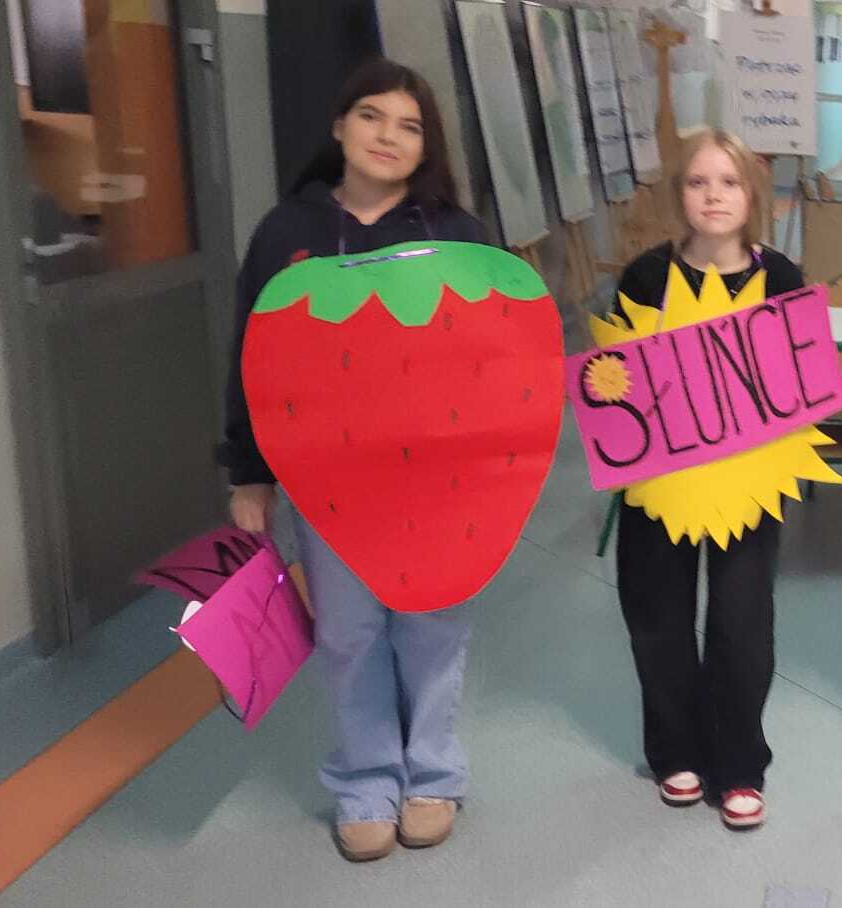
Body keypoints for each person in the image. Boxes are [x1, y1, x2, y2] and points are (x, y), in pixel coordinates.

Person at [218, 59, 488, 863]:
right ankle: (367, 780)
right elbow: (252, 358)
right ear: (340, 126)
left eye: (410, 126)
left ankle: (432, 774)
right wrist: (249, 471)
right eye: (372, 116)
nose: (388, 137)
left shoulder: (456, 235)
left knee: (431, 622)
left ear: (427, 146)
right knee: (348, 629)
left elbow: (495, 359)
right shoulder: (286, 233)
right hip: (326, 476)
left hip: (436, 477)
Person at [609, 128, 804, 832]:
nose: (714, 196)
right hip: (661, 481)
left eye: (729, 182)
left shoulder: (781, 278)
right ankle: (675, 751)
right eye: (698, 182)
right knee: (658, 614)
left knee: (742, 622)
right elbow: (613, 382)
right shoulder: (644, 278)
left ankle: (739, 763)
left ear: (752, 194)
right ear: (679, 193)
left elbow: (799, 383)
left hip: (747, 483)